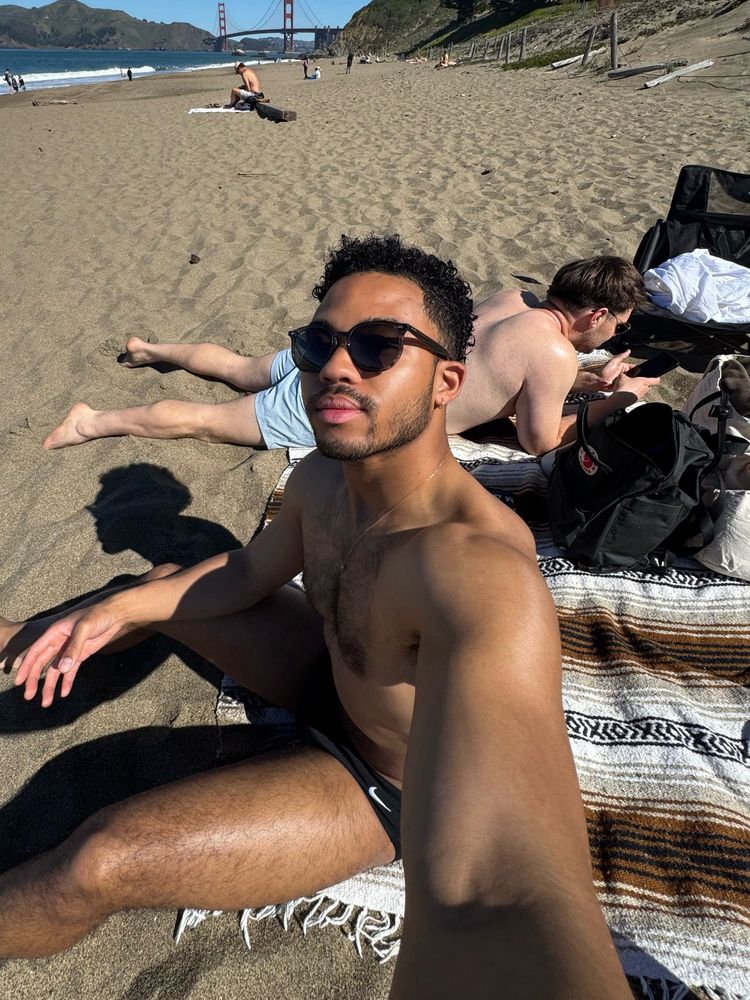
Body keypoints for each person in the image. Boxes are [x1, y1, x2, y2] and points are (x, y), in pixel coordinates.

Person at [1, 234, 632, 996]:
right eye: (319, 342)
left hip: (379, 778)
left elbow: (506, 884)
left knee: (93, 863)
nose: (336, 365)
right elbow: (245, 572)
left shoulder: (473, 568)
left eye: (377, 347)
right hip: (328, 666)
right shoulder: (321, 479)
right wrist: (121, 606)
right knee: (161, 582)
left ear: (446, 381)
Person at [44, 256, 658, 457]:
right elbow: (538, 439)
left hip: (354, 348)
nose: (611, 336)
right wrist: (614, 404)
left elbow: (504, 367)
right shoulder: (552, 352)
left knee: (236, 365)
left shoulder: (512, 299)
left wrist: (587, 381)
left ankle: (147, 348)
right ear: (596, 314)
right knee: (208, 420)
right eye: (616, 325)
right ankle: (91, 421)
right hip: (359, 390)